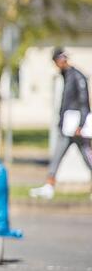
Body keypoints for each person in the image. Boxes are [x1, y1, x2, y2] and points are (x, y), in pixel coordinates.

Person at [31, 48, 92, 199]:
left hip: (76, 126)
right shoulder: (66, 76)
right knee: (57, 155)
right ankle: (49, 186)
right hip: (67, 126)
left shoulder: (77, 76)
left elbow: (84, 102)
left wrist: (81, 124)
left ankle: (49, 185)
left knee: (87, 156)